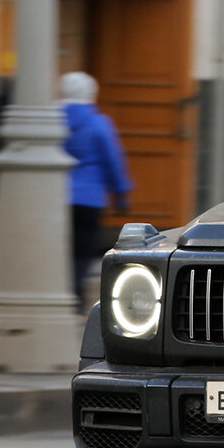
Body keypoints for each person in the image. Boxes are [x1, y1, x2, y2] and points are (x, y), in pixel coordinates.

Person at [59, 71, 132, 307]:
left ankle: (60, 286)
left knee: (61, 243)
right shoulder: (98, 122)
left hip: (57, 196)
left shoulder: (51, 120)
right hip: (89, 197)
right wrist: (121, 192)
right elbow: (113, 159)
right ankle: (77, 289)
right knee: (83, 246)